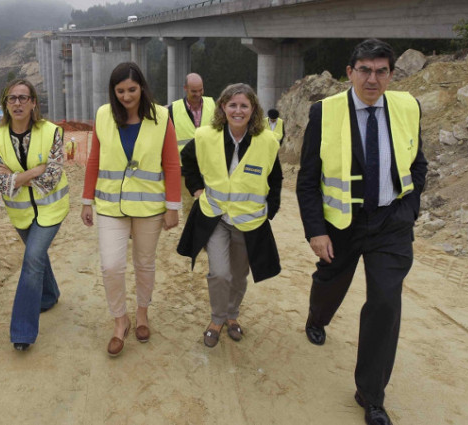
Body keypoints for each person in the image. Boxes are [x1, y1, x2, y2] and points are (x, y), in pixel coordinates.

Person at [296, 39, 428, 425]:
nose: (373, 78)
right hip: (342, 223)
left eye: (381, 70)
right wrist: (315, 231)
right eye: (365, 70)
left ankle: (370, 394)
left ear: (391, 73)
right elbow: (307, 179)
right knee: (331, 280)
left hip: (391, 223)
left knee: (386, 303)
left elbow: (417, 164)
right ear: (350, 72)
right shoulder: (324, 112)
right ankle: (317, 317)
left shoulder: (407, 106)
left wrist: (409, 210)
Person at [81, 62, 180, 357]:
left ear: (142, 88)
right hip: (111, 205)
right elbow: (94, 161)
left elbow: (172, 164)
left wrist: (172, 206)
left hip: (149, 206)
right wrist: (87, 200)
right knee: (111, 266)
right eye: (120, 90)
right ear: (113, 92)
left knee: (145, 264)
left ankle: (142, 313)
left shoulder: (162, 117)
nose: (126, 96)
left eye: (132, 89)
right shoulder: (103, 115)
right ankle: (119, 321)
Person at [178, 83, 283, 348]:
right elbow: (187, 160)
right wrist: (197, 189)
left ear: (253, 109)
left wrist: (270, 208)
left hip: (249, 222)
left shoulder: (267, 140)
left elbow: (276, 176)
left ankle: (232, 316)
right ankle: (217, 319)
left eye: (244, 105)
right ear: (223, 107)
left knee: (238, 275)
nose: (238, 110)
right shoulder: (205, 136)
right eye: (232, 105)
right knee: (220, 273)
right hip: (215, 218)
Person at [0, 79, 69, 352]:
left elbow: (52, 178)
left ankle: (22, 330)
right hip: (21, 214)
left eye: (24, 98)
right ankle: (50, 295)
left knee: (32, 258)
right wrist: (34, 171)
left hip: (51, 209)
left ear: (34, 102)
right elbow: (1, 184)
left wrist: (15, 178)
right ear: (6, 104)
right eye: (12, 98)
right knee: (38, 256)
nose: (18, 103)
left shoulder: (52, 132)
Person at [167, 73, 215, 218]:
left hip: (210, 164)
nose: (198, 94)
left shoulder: (213, 105)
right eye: (194, 91)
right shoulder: (173, 110)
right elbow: (167, 140)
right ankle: (192, 237)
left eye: (200, 90)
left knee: (210, 203)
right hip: (185, 167)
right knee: (188, 206)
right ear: (185, 89)